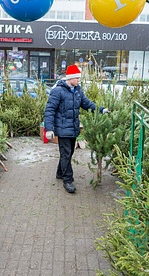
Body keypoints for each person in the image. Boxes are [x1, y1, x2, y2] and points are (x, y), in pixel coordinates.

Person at [43, 64, 109, 193]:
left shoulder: (78, 90)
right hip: (62, 129)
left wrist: (101, 110)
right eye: (77, 78)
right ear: (70, 78)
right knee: (66, 154)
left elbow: (87, 103)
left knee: (68, 153)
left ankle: (60, 173)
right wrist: (49, 129)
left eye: (79, 78)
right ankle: (68, 180)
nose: (79, 80)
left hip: (73, 128)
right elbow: (49, 110)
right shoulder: (58, 91)